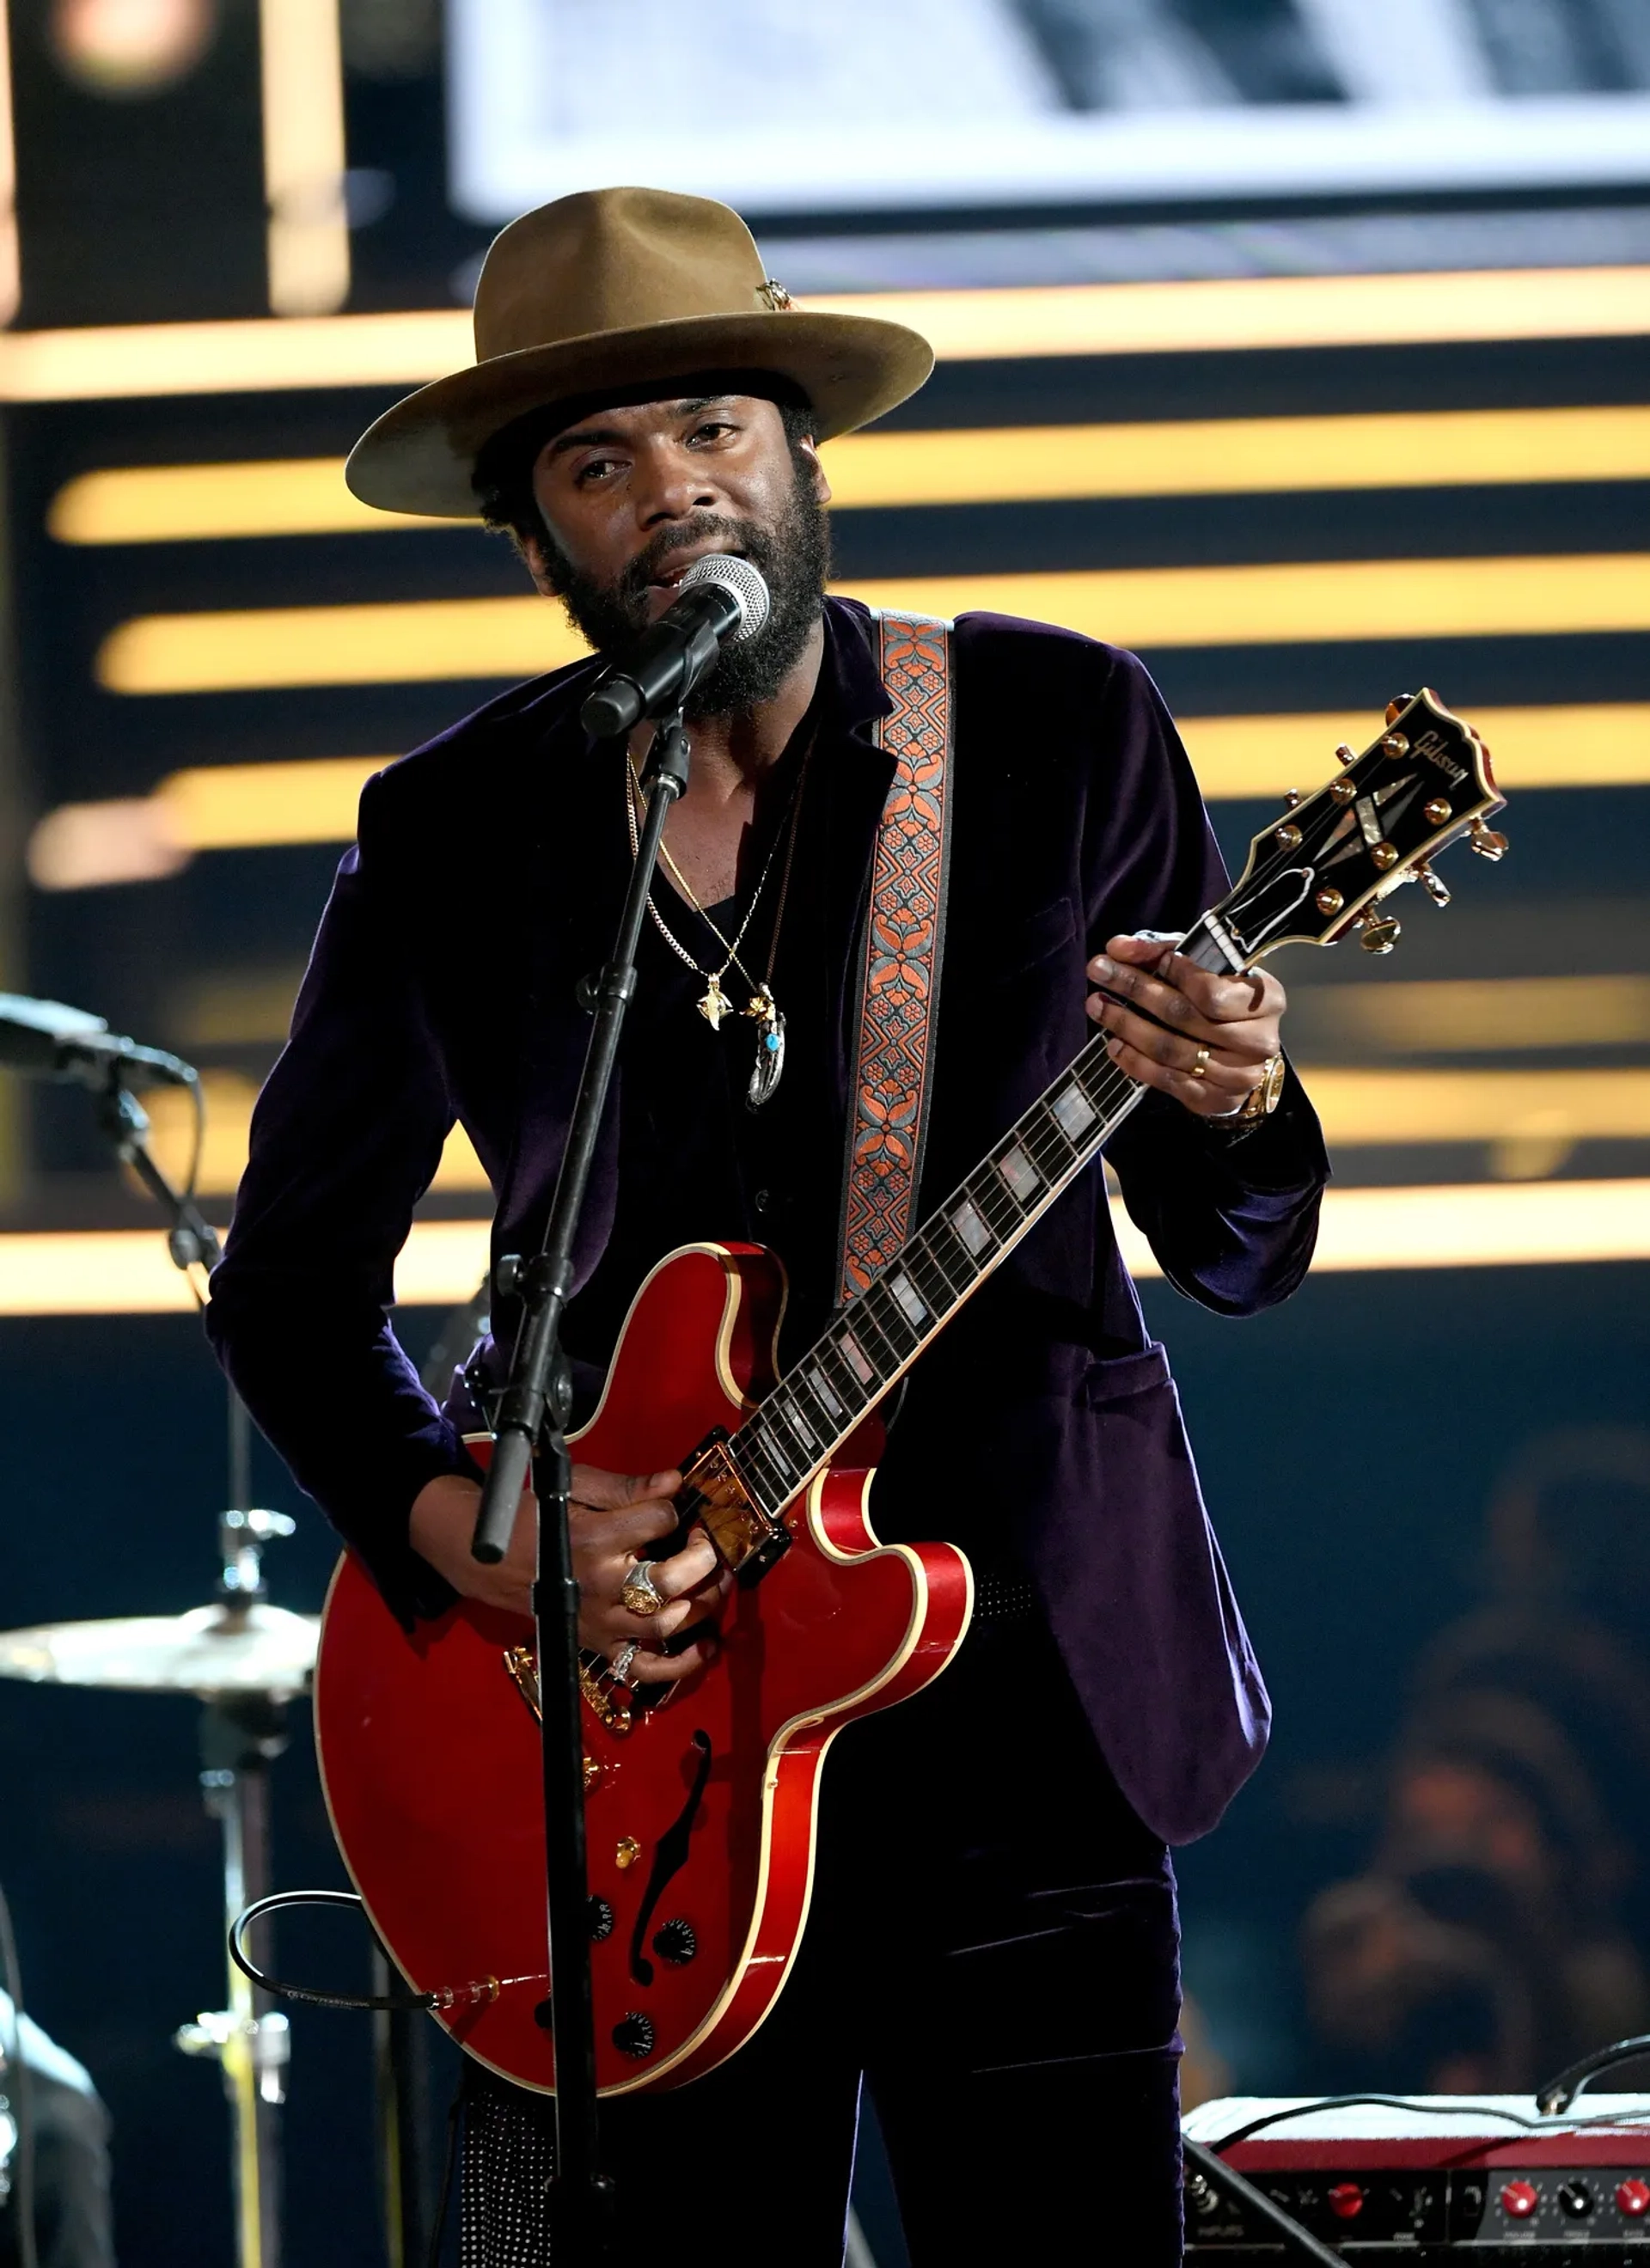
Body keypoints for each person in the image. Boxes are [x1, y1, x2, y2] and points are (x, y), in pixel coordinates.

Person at [205, 186, 1328, 2265]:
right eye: (599, 459)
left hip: (1026, 1705)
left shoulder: (1060, 730)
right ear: (530, 539)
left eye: (716, 426)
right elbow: (288, 1279)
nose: (674, 489)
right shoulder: (453, 831)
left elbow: (1237, 1239)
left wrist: (1242, 1095)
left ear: (803, 454)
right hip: (625, 1757)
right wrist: (475, 1532)